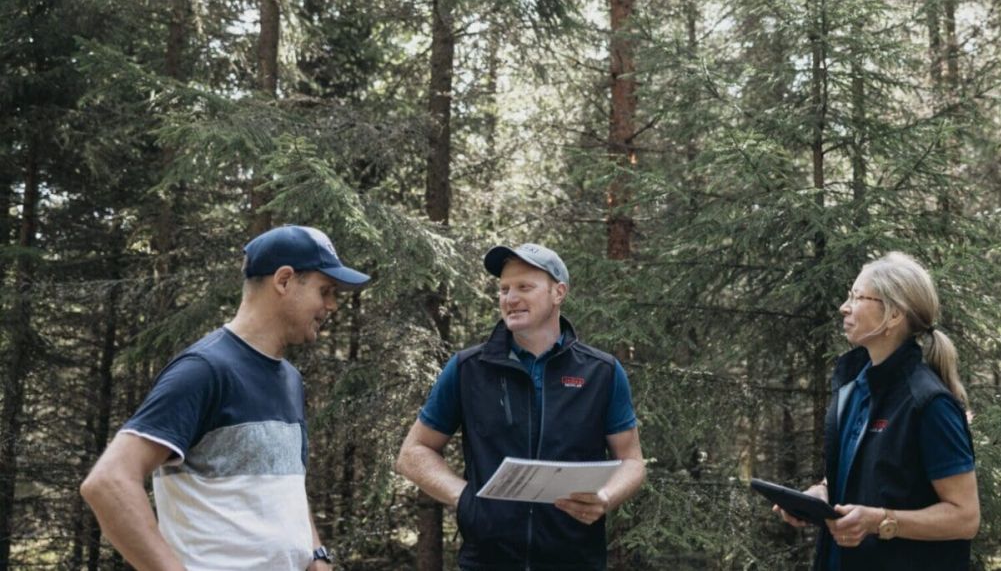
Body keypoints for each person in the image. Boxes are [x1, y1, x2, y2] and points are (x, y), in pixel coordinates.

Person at [80, 225, 371, 570]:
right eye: (325, 290)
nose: (332, 305)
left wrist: (317, 557)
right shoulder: (204, 370)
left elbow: (283, 490)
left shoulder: (289, 379)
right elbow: (108, 482)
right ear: (284, 281)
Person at [396, 242, 646, 570]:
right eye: (504, 289)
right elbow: (413, 453)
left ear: (558, 293)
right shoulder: (467, 368)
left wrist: (605, 498)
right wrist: (465, 499)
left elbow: (632, 461)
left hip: (576, 561)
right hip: (486, 561)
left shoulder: (602, 372)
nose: (510, 298)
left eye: (524, 287)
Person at [776, 252, 980, 570]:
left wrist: (880, 521)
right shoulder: (853, 387)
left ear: (894, 315)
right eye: (849, 296)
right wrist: (820, 495)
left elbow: (965, 517)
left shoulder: (928, 403)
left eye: (857, 298)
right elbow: (862, 473)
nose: (844, 308)